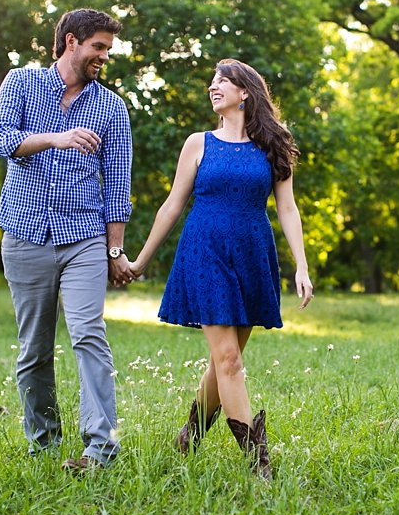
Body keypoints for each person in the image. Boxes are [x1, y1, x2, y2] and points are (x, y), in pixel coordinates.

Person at [128, 58, 314, 479]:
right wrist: (141, 260)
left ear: (245, 92)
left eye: (222, 81)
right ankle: (258, 462)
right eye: (212, 82)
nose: (214, 87)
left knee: (222, 362)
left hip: (252, 254)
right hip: (205, 251)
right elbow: (173, 204)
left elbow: (287, 207)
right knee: (228, 359)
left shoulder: (274, 143)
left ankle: (189, 436)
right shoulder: (198, 143)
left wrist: (301, 265)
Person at [0, 8, 136, 473]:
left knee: (89, 334)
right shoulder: (20, 83)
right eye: (98, 47)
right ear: (71, 41)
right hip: (25, 233)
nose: (104, 57)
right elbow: (0, 139)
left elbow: (116, 187)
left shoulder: (111, 108)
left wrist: (115, 251)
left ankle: (100, 449)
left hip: (84, 239)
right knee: (34, 346)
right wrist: (55, 138)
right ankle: (45, 443)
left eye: (108, 50)